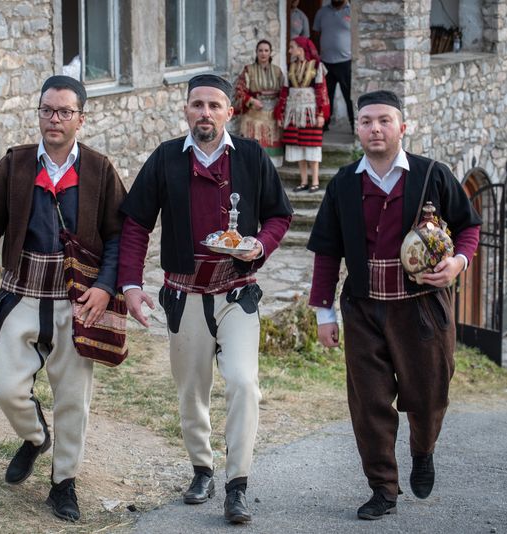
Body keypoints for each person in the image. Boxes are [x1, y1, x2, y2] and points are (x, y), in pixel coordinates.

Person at [118, 74, 292, 525]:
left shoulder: (252, 157)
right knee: (191, 391)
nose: (205, 113)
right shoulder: (165, 160)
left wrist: (260, 246)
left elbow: (280, 214)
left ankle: (238, 484)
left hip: (237, 293)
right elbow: (136, 223)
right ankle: (201, 469)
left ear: (229, 112)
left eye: (215, 105)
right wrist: (132, 287)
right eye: (197, 105)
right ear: (185, 110)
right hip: (184, 295)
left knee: (243, 383)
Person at [307, 90, 481, 520]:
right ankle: (383, 488)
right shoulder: (344, 183)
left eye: (384, 120)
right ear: (358, 129)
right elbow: (327, 252)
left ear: (403, 127)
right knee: (369, 403)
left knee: (428, 397)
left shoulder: (431, 176)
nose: (375, 129)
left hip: (422, 309)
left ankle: (423, 451)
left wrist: (458, 263)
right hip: (364, 308)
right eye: (365, 121)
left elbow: (469, 227)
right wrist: (324, 313)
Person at [0, 75, 126, 523]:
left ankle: (63, 483)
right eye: (47, 110)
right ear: (39, 114)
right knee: (2, 380)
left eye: (64, 112)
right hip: (22, 293)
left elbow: (119, 237)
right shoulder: (14, 165)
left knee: (73, 396)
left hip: (77, 301)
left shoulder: (99, 169)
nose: (55, 119)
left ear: (80, 119)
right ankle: (35, 437)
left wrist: (105, 287)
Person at [277, 37, 330, 192]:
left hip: (310, 111)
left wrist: (321, 113)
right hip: (293, 111)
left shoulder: (317, 66)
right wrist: (281, 113)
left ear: (300, 49)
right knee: (297, 145)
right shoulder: (290, 67)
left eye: (292, 47)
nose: (289, 50)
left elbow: (321, 90)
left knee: (312, 145)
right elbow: (285, 91)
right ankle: (303, 180)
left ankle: (315, 181)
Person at [233, 39, 287, 167]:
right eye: (260, 50)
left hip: (272, 115)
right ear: (256, 52)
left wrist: (280, 111)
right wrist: (250, 101)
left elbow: (284, 93)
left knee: (272, 155)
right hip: (254, 116)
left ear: (270, 53)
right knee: (254, 153)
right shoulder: (249, 70)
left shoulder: (277, 71)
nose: (263, 53)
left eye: (266, 50)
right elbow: (239, 90)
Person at [313, 0, 353, 132]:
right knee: (325, 96)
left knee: (349, 96)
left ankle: (354, 125)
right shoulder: (322, 12)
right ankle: (324, 125)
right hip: (325, 62)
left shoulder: (352, 11)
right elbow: (316, 34)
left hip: (345, 61)